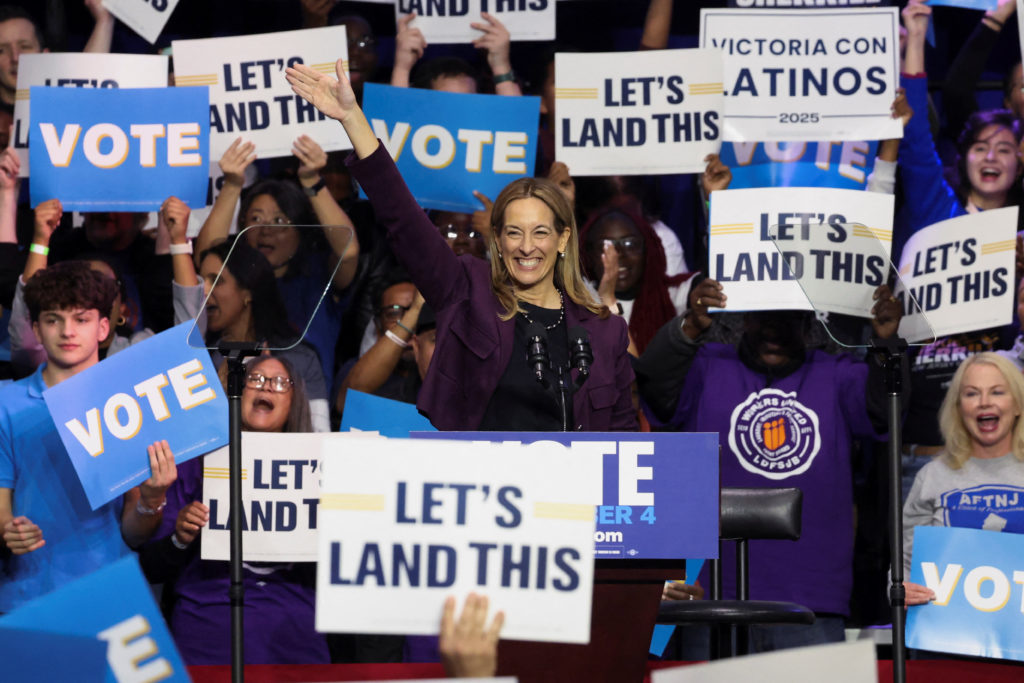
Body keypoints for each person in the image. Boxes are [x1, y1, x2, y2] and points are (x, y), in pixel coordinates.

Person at [286, 59, 636, 432]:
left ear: (563, 238)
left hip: (572, 489)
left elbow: (624, 434)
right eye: (514, 232)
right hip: (481, 485)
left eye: (540, 233)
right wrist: (352, 118)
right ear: (497, 241)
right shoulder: (468, 292)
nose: (526, 246)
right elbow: (403, 219)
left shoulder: (605, 332)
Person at [636, 278, 902, 651]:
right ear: (745, 319)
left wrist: (886, 345)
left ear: (809, 322)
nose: (773, 331)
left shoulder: (838, 373)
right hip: (711, 593)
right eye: (764, 318)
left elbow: (884, 414)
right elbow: (653, 386)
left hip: (810, 598)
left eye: (787, 319)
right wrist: (690, 327)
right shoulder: (708, 365)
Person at [0, 260, 176, 611]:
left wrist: (153, 498)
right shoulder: (7, 401)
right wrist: (8, 528)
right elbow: (2, 506)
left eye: (81, 319)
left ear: (103, 327)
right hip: (27, 596)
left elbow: (134, 532)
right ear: (36, 328)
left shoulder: (133, 405)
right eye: (53, 319)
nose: (67, 331)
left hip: (110, 594)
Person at [141, 354, 329, 664]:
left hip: (293, 637)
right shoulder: (197, 461)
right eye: (255, 379)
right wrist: (181, 537)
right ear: (236, 393)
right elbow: (152, 566)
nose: (267, 387)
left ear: (294, 400)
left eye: (280, 383)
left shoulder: (320, 471)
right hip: (208, 630)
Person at [195, 135, 359, 386]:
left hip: (308, 412)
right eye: (256, 219)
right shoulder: (234, 283)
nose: (266, 230)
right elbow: (207, 255)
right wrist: (232, 184)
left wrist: (312, 181)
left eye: (280, 221)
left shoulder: (318, 276)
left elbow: (348, 250)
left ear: (300, 231)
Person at [173, 234, 330, 432]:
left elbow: (319, 436)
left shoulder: (300, 359)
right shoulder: (202, 360)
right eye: (201, 281)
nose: (204, 290)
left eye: (216, 281)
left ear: (247, 292)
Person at [903, 352, 1024, 606]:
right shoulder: (932, 476)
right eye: (971, 393)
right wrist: (901, 588)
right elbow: (906, 564)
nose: (984, 402)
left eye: (997, 392)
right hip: (948, 637)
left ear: (1018, 405)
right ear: (958, 408)